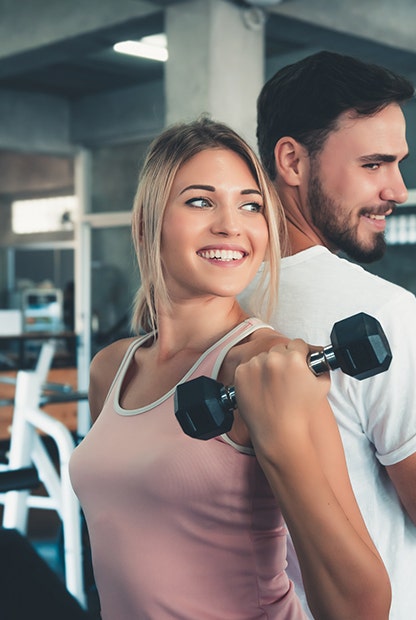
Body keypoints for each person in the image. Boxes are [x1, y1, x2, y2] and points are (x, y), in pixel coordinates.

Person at [239, 51, 416, 619]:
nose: (398, 189)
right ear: (292, 161)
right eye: (374, 164)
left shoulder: (213, 302)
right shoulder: (377, 311)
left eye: (398, 164)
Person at [69, 116, 391, 619]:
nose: (231, 225)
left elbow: (362, 609)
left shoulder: (268, 369)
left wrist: (283, 440)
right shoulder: (111, 369)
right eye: (201, 201)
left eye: (251, 205)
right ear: (147, 221)